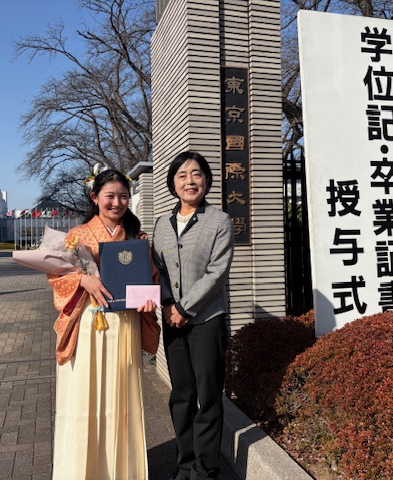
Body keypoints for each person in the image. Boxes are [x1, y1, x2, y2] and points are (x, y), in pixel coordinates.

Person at [50, 169, 158, 480]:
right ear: (95, 198)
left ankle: (122, 471)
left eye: (123, 196)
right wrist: (82, 279)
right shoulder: (77, 236)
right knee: (85, 397)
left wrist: (148, 299)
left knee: (122, 398)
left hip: (125, 324)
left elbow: (151, 278)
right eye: (110, 196)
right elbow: (56, 276)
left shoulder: (137, 238)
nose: (117, 202)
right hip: (89, 325)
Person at [152, 151, 235, 480]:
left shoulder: (219, 221)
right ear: (173, 182)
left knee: (209, 397)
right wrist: (168, 304)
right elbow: (157, 270)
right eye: (182, 175)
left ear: (207, 180)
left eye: (196, 174)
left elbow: (217, 273)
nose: (190, 181)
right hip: (172, 321)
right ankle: (185, 466)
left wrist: (185, 308)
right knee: (181, 396)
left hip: (206, 321)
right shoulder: (162, 224)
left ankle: (205, 470)